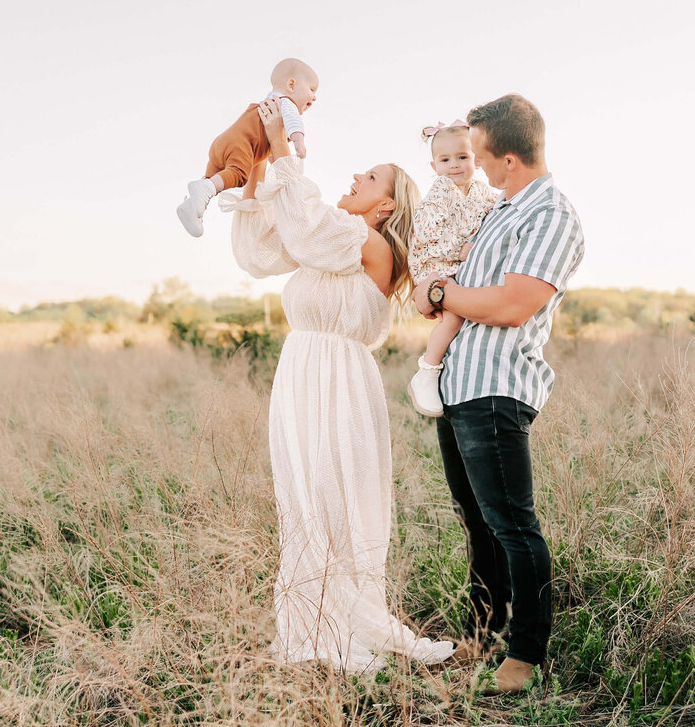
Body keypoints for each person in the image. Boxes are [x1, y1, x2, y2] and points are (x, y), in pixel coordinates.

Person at [224, 96, 454, 673]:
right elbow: (260, 253)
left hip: (341, 381)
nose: (355, 177)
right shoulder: (329, 239)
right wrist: (257, 167)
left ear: (384, 206)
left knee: (334, 497)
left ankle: (346, 621)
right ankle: (311, 622)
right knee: (303, 498)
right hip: (299, 375)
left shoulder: (369, 245)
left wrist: (286, 156)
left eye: (370, 177)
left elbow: (306, 229)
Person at [413, 94, 584, 694]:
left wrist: (438, 296)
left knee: (512, 524)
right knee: (477, 525)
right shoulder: (499, 210)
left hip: (497, 387)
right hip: (459, 384)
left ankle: (526, 654)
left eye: (482, 156)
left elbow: (512, 305)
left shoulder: (550, 215)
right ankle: (482, 636)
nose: (476, 167)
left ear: (508, 158)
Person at [406, 120, 499, 417]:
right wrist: (458, 250)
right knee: (454, 316)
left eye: (462, 157)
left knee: (472, 306)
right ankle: (427, 371)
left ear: (477, 160)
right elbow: (427, 229)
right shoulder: (442, 189)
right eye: (445, 160)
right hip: (433, 261)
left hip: (455, 262)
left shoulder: (482, 192)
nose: (454, 166)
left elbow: (496, 211)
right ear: (434, 166)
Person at [177, 58, 318, 237]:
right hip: (240, 146)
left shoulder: (267, 103)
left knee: (213, 179)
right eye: (311, 89)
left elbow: (269, 151)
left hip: (223, 142)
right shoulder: (285, 104)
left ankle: (192, 207)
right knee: (238, 174)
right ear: (291, 84)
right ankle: (203, 190)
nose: (314, 97)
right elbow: (294, 123)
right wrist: (299, 143)